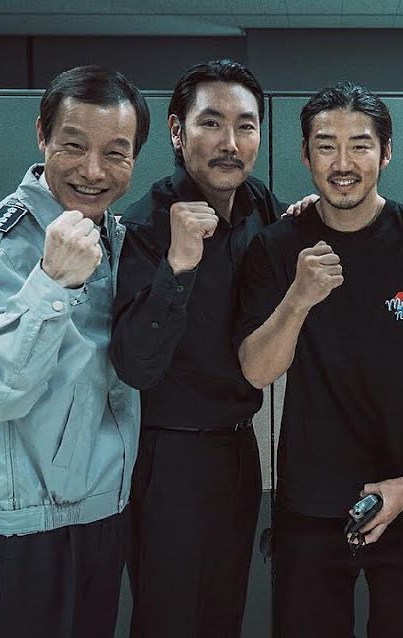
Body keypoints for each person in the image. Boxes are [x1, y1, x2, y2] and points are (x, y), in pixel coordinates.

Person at [236, 81, 403, 638]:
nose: (342, 163)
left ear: (385, 153)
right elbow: (257, 370)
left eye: (360, 145)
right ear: (305, 154)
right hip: (311, 503)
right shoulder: (276, 247)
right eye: (326, 146)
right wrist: (298, 298)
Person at [0, 65, 149, 638]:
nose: (93, 170)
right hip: (28, 526)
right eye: (74, 146)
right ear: (42, 135)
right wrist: (51, 283)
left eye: (115, 153)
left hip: (104, 510)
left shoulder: (116, 236)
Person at [109, 59, 283, 638]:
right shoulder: (146, 225)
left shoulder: (258, 205)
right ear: (177, 131)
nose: (230, 142)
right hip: (169, 456)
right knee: (169, 619)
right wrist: (178, 266)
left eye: (246, 125)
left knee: (222, 615)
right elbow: (135, 365)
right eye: (211, 123)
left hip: (239, 450)